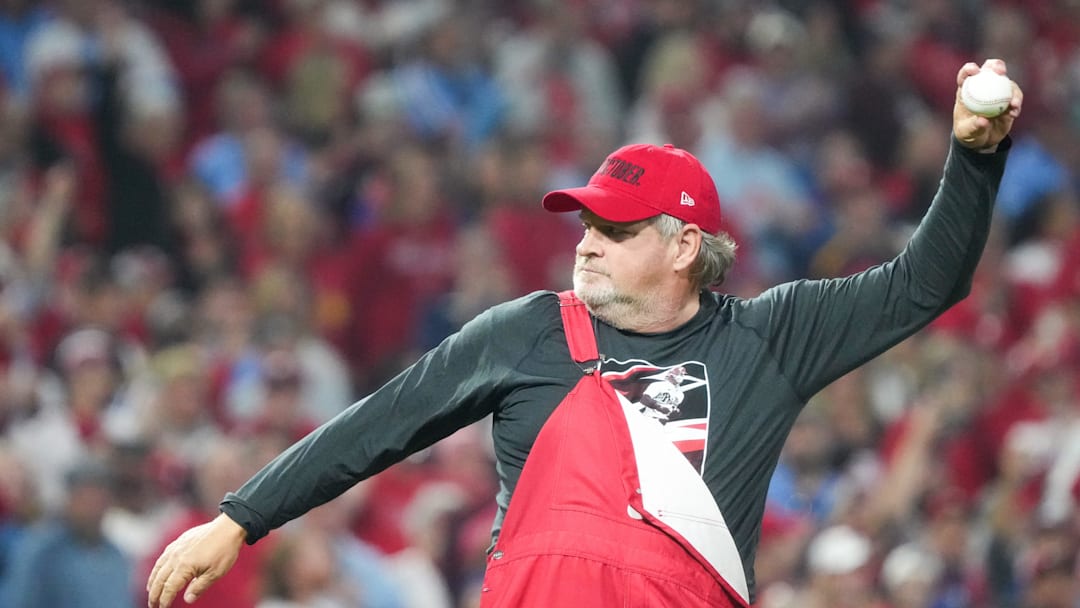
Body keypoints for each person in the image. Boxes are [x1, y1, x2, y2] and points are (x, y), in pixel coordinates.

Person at [146, 59, 1022, 608]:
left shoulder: (770, 338)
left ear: (685, 246)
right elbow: (376, 425)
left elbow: (928, 281)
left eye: (616, 229)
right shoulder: (525, 331)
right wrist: (238, 519)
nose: (587, 243)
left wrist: (975, 157)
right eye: (586, 224)